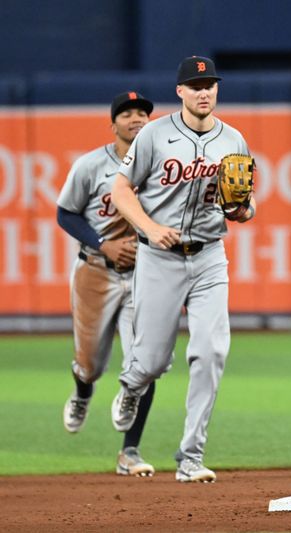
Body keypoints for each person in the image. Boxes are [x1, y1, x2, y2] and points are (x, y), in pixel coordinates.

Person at [110, 56, 256, 483]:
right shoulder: (154, 135)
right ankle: (131, 385)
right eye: (195, 85)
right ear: (180, 92)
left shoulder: (234, 139)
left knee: (211, 352)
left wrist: (241, 209)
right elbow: (121, 189)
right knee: (152, 361)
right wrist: (151, 229)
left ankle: (190, 456)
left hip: (210, 255)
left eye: (209, 83)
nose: (204, 91)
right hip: (160, 257)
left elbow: (246, 206)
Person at [56, 91, 157, 477]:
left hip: (146, 274)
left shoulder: (163, 166)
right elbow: (65, 213)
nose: (136, 118)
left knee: (145, 362)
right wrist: (104, 244)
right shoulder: (92, 165)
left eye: (143, 113)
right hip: (95, 270)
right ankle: (83, 391)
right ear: (112, 124)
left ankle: (129, 451)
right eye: (127, 113)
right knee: (91, 365)